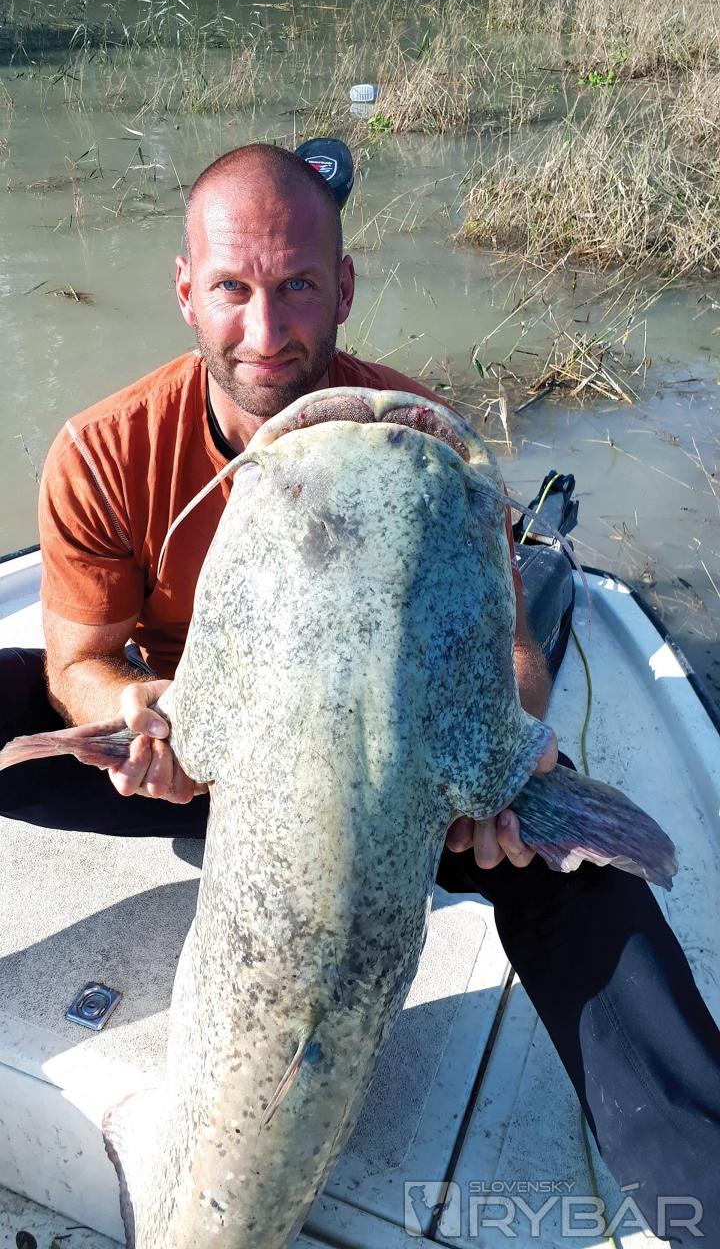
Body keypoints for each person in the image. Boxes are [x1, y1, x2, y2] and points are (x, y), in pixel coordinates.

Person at [1, 144, 718, 1245]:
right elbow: (81, 658)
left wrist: (507, 754)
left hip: (396, 786)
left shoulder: (418, 442)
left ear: (342, 286)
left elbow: (510, 651)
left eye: (297, 285)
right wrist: (139, 712)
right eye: (233, 287)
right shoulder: (107, 449)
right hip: (199, 755)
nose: (266, 327)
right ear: (186, 290)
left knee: (591, 889)